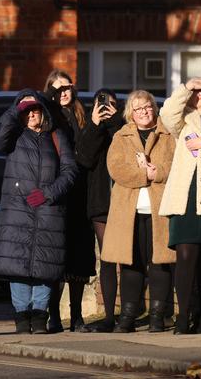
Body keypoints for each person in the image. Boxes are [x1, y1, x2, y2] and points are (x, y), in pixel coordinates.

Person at [0, 89, 78, 334]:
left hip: (49, 210)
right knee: (17, 266)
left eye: (34, 110)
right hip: (18, 211)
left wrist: (49, 194)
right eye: (25, 111)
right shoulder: (14, 135)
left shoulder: (57, 136)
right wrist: (15, 108)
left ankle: (40, 316)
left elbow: (70, 172)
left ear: (43, 112)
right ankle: (21, 316)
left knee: (44, 266)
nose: (30, 115)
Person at [101, 90, 176, 333]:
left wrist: (160, 172)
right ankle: (128, 317)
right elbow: (116, 169)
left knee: (159, 264)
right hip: (128, 213)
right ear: (130, 113)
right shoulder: (121, 137)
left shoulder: (168, 135)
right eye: (138, 108)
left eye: (147, 107)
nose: (143, 112)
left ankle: (157, 316)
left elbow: (176, 165)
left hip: (159, 211)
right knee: (131, 266)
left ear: (154, 108)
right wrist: (145, 174)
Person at [158, 77, 201, 335]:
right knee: (186, 257)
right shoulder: (184, 119)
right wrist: (186, 87)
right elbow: (166, 113)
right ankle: (183, 315)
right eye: (195, 92)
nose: (200, 95)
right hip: (185, 198)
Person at [43, 69, 97, 333]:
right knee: (56, 260)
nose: (63, 93)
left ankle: (76, 317)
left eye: (67, 88)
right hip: (58, 193)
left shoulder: (81, 113)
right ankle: (53, 316)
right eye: (57, 89)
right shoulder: (48, 115)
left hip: (80, 195)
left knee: (79, 260)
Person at [75, 88, 124, 332]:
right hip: (101, 202)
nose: (106, 108)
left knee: (128, 258)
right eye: (102, 105)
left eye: (111, 104)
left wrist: (116, 120)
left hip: (125, 201)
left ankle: (127, 313)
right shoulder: (91, 129)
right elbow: (84, 159)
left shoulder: (122, 127)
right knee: (107, 259)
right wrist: (95, 124)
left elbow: (128, 148)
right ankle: (108, 317)